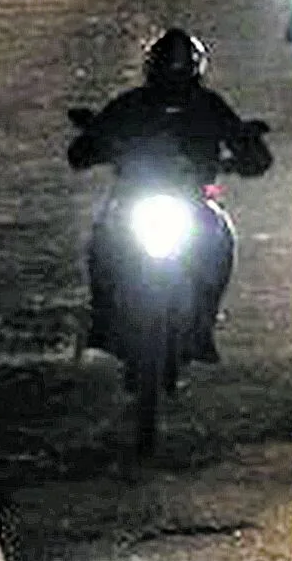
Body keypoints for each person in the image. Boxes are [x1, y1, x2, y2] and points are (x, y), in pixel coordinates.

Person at [69, 28, 270, 363]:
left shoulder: (208, 106)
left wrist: (246, 151)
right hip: (133, 199)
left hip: (192, 201)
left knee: (220, 240)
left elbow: (248, 148)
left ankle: (202, 323)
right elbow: (86, 147)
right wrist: (93, 143)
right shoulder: (132, 105)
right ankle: (103, 318)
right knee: (101, 239)